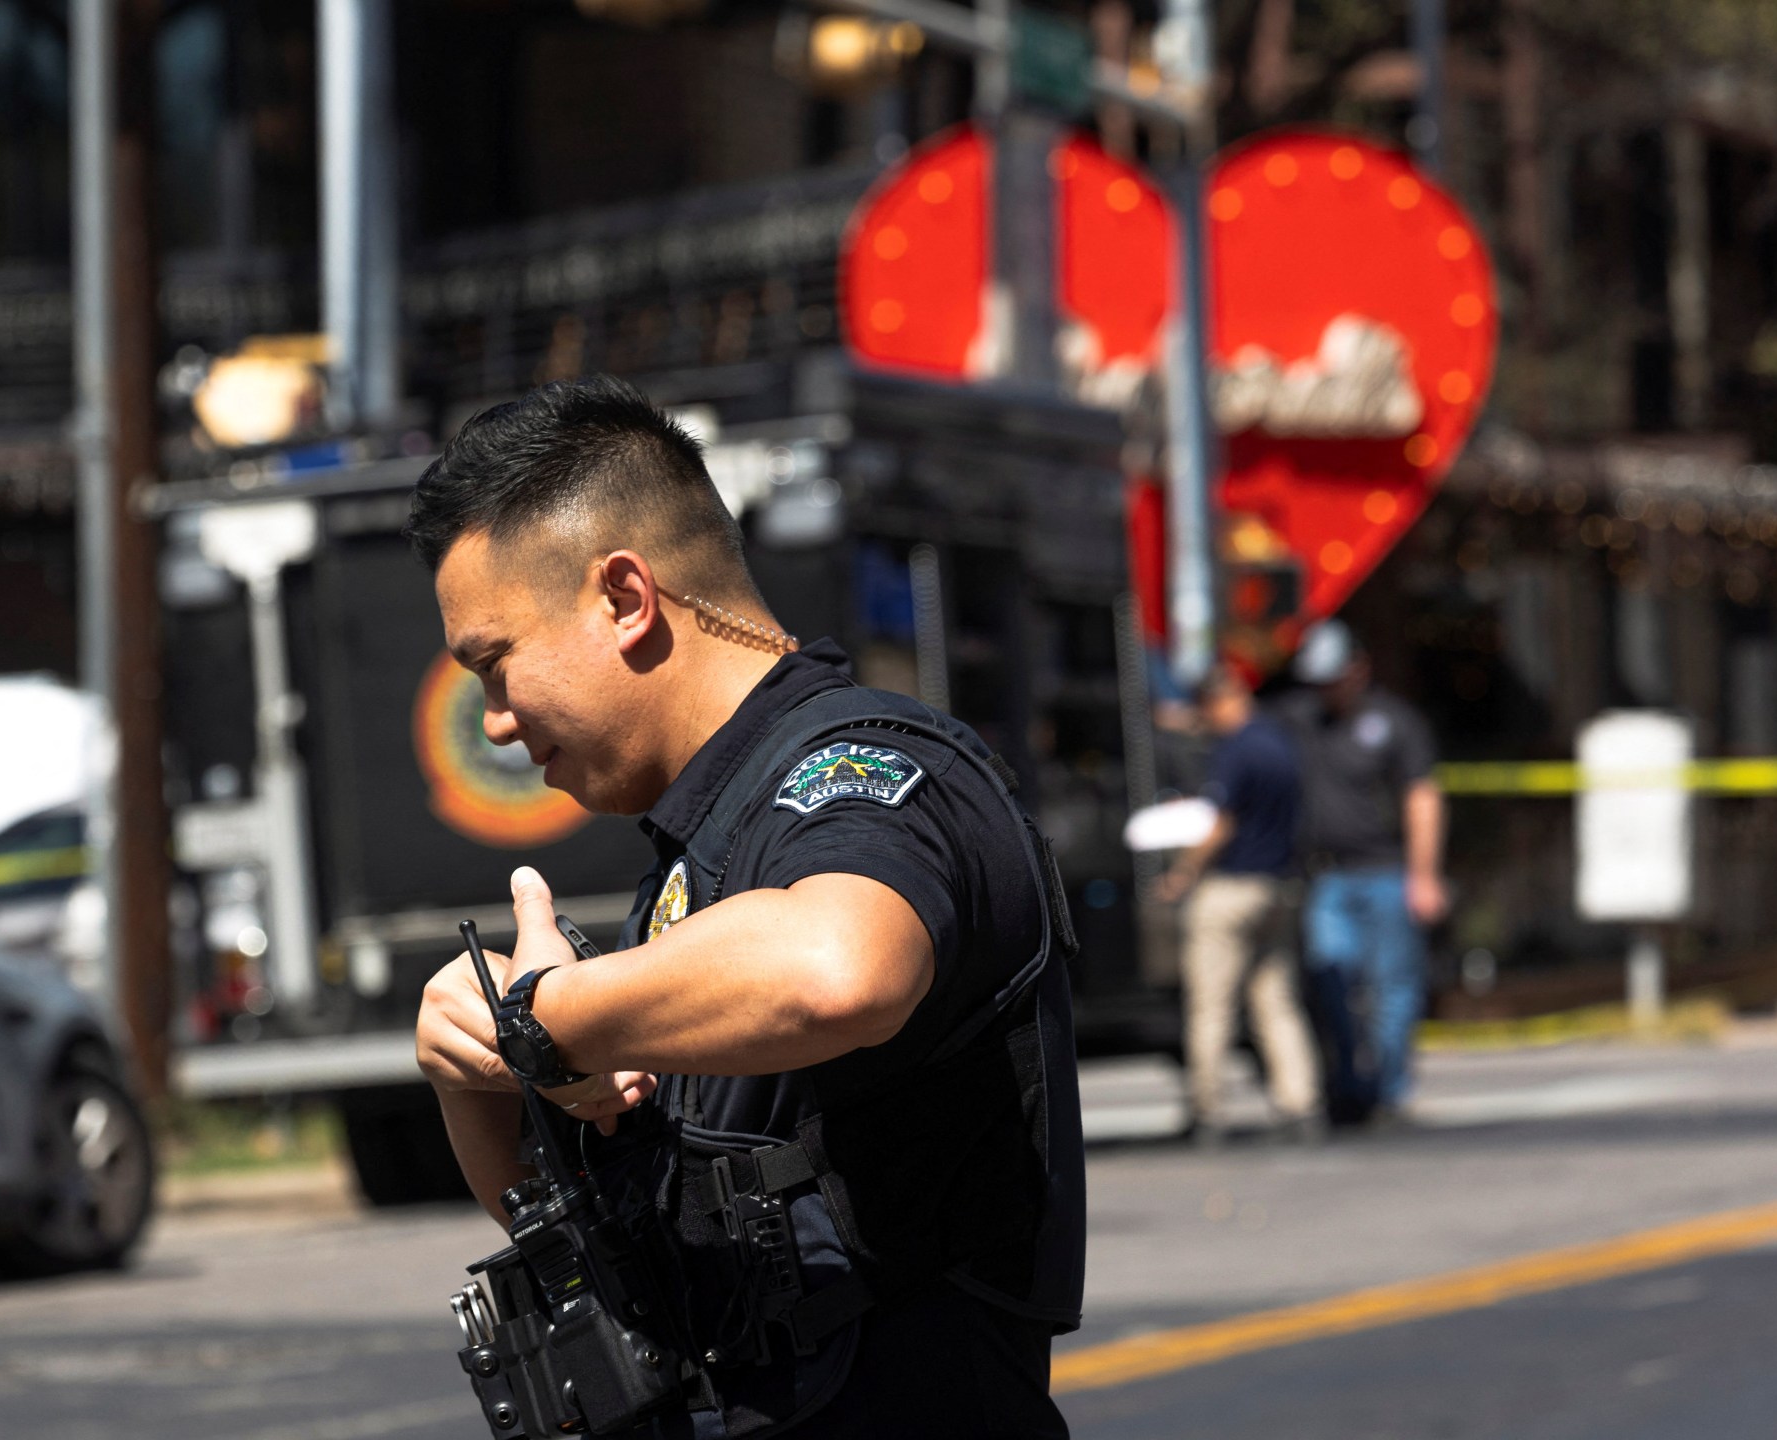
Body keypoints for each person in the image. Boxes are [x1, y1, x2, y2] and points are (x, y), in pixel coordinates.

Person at [408, 377, 1084, 1439]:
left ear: (625, 599)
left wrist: (548, 1015)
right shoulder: (700, 856)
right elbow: (599, 1237)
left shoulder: (866, 774)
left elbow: (839, 971)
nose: (493, 722)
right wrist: (477, 1064)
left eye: (496, 666)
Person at [1279, 621, 1448, 1125]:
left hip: (1387, 873)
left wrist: (1424, 875)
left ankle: (1388, 1090)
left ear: (1359, 669)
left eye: (1334, 678)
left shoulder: (1395, 722)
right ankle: (1349, 1086)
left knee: (1392, 987)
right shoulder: (1300, 719)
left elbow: (1422, 798)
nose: (1327, 689)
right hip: (1327, 878)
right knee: (1331, 978)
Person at [1158, 664, 1322, 1145]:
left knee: (1211, 1005)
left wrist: (1183, 873)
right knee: (1278, 1002)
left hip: (1232, 888)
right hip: (1279, 885)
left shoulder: (1236, 750)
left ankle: (1208, 1110)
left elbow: (1220, 823)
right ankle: (1301, 1103)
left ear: (1218, 702)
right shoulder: (1280, 743)